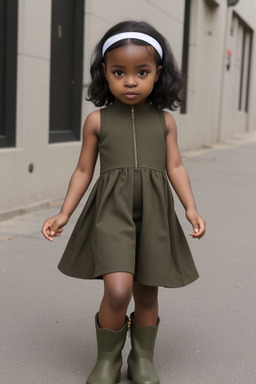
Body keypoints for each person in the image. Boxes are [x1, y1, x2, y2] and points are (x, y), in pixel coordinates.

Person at [42, 20, 206, 384]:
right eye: (119, 72)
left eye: (141, 72)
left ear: (158, 74)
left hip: (155, 213)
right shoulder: (96, 120)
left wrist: (189, 208)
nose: (130, 81)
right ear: (105, 72)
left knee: (147, 290)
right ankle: (108, 360)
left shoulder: (165, 122)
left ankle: (141, 359)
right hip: (111, 212)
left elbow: (175, 165)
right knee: (117, 290)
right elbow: (84, 170)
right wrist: (64, 212)